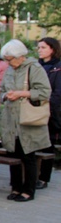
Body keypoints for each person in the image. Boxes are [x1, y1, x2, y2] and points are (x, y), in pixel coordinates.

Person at [0, 40, 51, 202]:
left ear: (21, 57)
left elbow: (44, 92)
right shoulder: (9, 68)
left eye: (10, 59)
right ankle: (15, 187)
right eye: (6, 59)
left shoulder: (34, 68)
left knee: (28, 155)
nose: (8, 63)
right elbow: (1, 90)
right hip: (10, 119)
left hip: (27, 119)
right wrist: (5, 96)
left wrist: (21, 93)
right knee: (12, 154)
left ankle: (28, 190)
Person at [37, 37, 61, 189]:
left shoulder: (58, 67)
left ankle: (44, 178)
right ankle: (32, 175)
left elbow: (58, 93)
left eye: (43, 47)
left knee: (47, 144)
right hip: (34, 110)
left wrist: (47, 106)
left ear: (52, 49)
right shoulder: (36, 66)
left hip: (50, 112)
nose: (39, 50)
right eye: (38, 47)